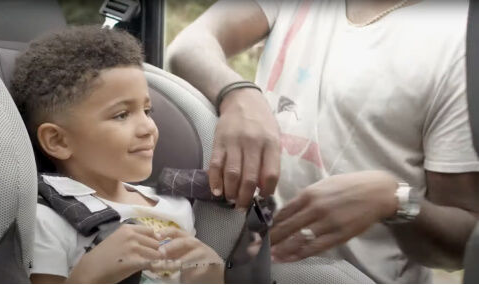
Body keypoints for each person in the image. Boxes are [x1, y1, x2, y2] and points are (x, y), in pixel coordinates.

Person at [167, 0, 479, 283]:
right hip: (243, 268)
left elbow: (459, 242)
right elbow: (190, 46)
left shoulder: (461, 41)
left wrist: (393, 199)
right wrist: (236, 92)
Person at [10, 25, 223, 283]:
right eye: (121, 115)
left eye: (147, 111)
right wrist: (89, 277)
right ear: (58, 140)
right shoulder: (46, 221)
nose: (148, 128)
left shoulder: (176, 206)